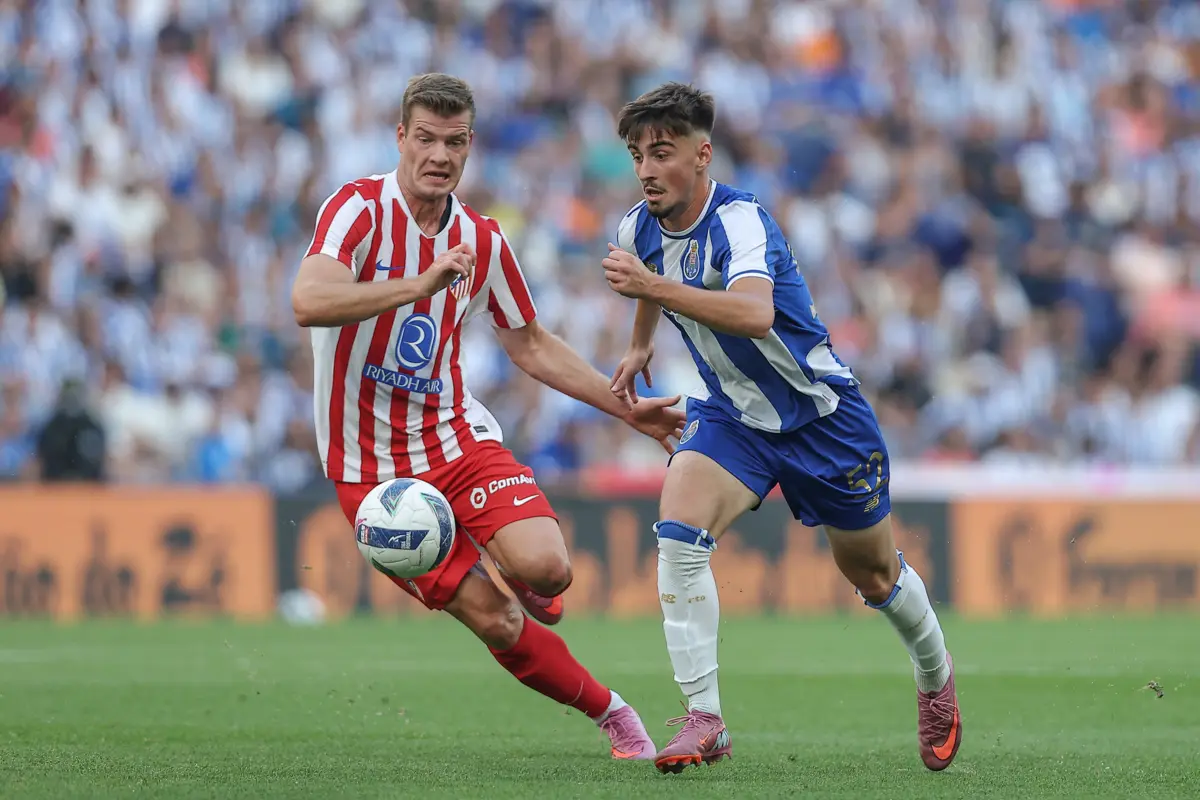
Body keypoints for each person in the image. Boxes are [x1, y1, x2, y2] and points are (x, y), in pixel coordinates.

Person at [291, 73, 684, 761]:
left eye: (453, 142)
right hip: (373, 476)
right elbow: (308, 299)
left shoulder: (482, 240)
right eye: (425, 139)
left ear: (469, 147)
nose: (438, 155)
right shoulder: (357, 211)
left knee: (551, 570)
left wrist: (625, 412)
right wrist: (416, 286)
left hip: (453, 438)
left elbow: (530, 344)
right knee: (495, 618)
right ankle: (613, 714)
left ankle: (527, 573)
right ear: (400, 138)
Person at [602, 83, 962, 774]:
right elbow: (650, 272)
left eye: (663, 152)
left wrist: (649, 295)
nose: (646, 168)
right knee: (678, 531)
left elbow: (754, 314)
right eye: (637, 154)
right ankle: (704, 718)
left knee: (874, 572)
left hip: (822, 420)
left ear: (702, 155)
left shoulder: (740, 220)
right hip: (734, 416)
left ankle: (934, 676)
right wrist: (640, 343)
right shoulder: (635, 228)